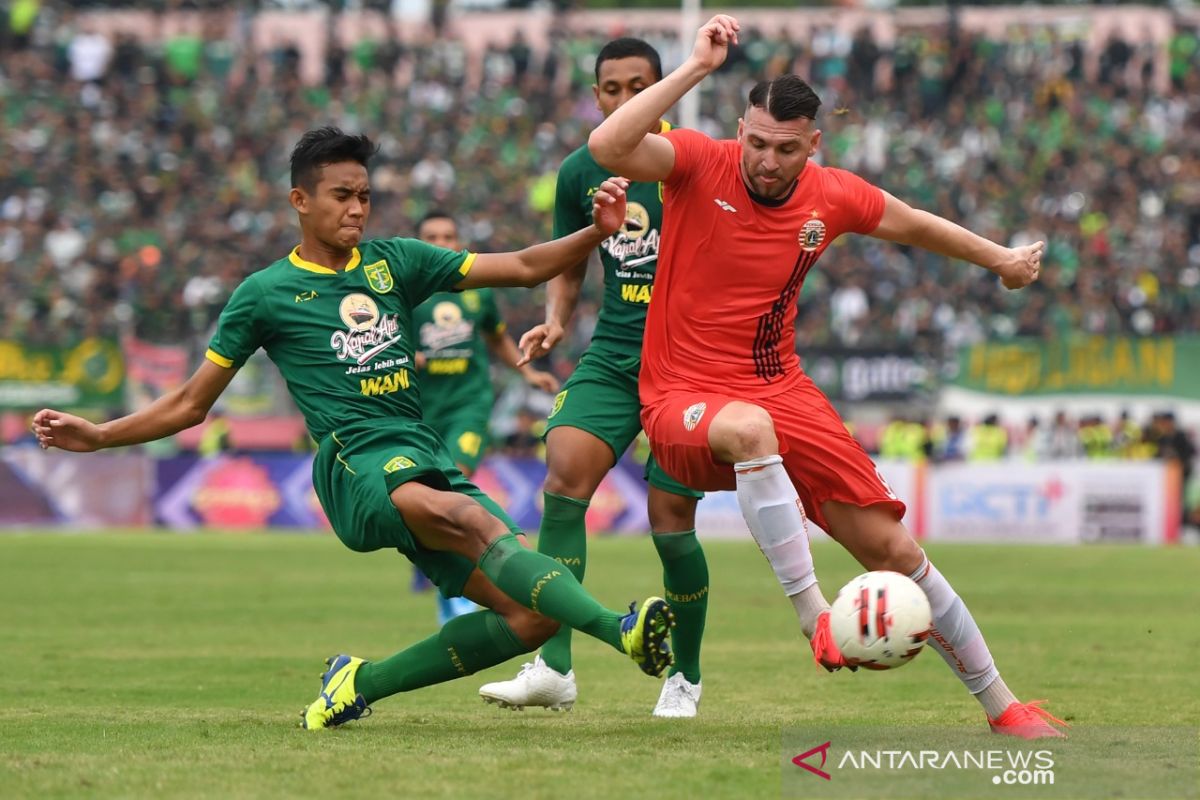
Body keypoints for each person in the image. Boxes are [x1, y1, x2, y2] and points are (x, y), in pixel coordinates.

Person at [32, 127, 677, 730]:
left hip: (420, 452)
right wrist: (98, 436)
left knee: (530, 618)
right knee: (475, 521)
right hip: (353, 461)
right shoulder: (265, 293)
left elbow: (524, 264)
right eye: (342, 195)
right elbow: (190, 406)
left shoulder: (395, 262)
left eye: (365, 196)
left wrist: (595, 233)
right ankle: (619, 629)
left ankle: (360, 682)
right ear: (300, 200)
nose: (357, 209)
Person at [587, 15, 1065, 739]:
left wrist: (1000, 259)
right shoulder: (696, 161)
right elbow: (607, 145)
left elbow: (914, 224)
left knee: (896, 554)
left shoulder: (830, 194)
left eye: (784, 149)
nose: (766, 161)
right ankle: (816, 616)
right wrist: (694, 69)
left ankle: (1005, 707)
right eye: (755, 143)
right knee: (750, 430)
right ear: (739, 131)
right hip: (682, 391)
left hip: (781, 387)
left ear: (813, 145)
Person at [478, 38, 709, 719]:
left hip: (688, 362)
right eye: (612, 88)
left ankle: (686, 675)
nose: (624, 98)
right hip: (612, 352)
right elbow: (572, 260)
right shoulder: (580, 171)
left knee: (670, 523)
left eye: (638, 85)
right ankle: (554, 665)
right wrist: (554, 319)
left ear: (662, 88)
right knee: (563, 477)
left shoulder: (692, 163)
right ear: (597, 95)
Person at [411, 209, 560, 625]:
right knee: (428, 499)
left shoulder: (477, 291)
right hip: (420, 411)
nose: (441, 242)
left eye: (448, 234)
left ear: (459, 241)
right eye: (432, 235)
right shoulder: (405, 292)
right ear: (419, 241)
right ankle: (440, 569)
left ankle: (456, 596)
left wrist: (528, 371)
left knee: (454, 486)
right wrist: (405, 354)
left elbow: (496, 338)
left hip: (468, 407)